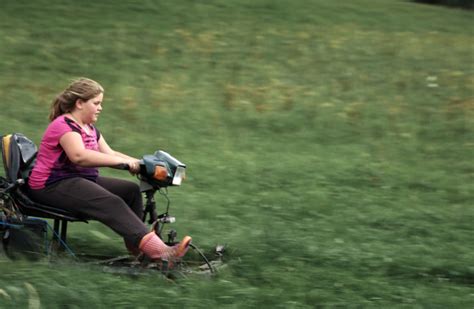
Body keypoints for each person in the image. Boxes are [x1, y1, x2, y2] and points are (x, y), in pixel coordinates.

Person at [27, 77, 191, 261]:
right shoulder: (63, 125)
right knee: (112, 202)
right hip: (51, 185)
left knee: (130, 191)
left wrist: (143, 164)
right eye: (96, 103)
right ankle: (160, 252)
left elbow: (110, 152)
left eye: (101, 103)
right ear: (80, 103)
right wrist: (121, 164)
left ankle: (139, 250)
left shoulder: (89, 128)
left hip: (76, 179)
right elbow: (79, 156)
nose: (100, 108)